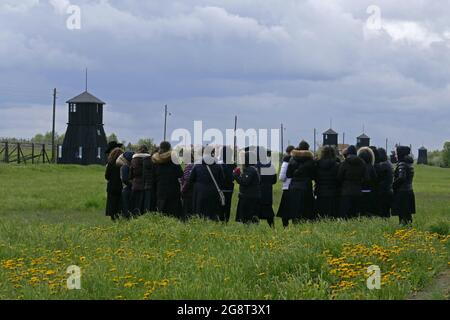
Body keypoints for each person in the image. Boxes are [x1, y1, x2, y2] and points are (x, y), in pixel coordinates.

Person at [188, 148, 225, 221]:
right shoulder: (218, 166)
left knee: (200, 213)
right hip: (213, 192)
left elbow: (190, 180)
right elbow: (222, 180)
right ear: (213, 154)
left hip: (200, 192)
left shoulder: (197, 165)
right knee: (212, 213)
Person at [284, 141, 316, 225]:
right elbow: (313, 176)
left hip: (294, 186)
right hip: (306, 187)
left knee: (295, 208)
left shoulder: (292, 159)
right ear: (307, 149)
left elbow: (288, 175)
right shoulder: (310, 160)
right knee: (306, 208)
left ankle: (296, 225)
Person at [152, 141, 183, 219]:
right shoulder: (174, 159)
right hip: (173, 189)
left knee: (161, 211)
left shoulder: (155, 159)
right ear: (169, 149)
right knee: (173, 212)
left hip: (160, 188)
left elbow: (153, 175)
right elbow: (180, 174)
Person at [337, 145, 366, 219]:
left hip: (346, 191)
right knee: (356, 215)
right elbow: (365, 177)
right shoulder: (362, 163)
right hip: (358, 191)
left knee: (345, 215)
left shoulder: (345, 163)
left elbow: (339, 176)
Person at [234, 150, 261, 224]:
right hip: (252, 196)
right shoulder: (253, 168)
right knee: (252, 218)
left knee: (245, 219)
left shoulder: (250, 170)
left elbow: (244, 182)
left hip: (248, 197)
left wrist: (235, 175)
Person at [392, 146, 416, 225]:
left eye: (396, 153)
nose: (395, 155)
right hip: (409, 191)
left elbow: (401, 177)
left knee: (402, 216)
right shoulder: (409, 163)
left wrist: (393, 185)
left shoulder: (402, 164)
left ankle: (404, 232)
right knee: (408, 216)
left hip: (402, 193)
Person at [314, 145, 340, 218]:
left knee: (320, 213)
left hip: (320, 190)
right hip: (333, 191)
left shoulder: (317, 164)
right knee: (331, 214)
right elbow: (339, 178)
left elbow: (314, 176)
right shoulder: (337, 165)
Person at [256, 147, 277, 228]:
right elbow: (274, 180)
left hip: (258, 190)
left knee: (256, 210)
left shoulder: (256, 166)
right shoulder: (271, 165)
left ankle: (255, 228)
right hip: (268, 190)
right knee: (268, 210)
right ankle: (272, 227)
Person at [130, 145, 152, 216]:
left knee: (136, 206)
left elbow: (130, 175)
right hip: (147, 185)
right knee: (145, 207)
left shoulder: (134, 160)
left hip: (136, 185)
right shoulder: (150, 160)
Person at [217, 146, 236, 223]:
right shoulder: (232, 164)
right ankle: (226, 221)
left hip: (219, 188)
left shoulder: (218, 164)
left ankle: (219, 219)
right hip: (229, 188)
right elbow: (232, 177)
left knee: (219, 205)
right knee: (227, 205)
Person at [357, 147, 378, 217]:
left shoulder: (358, 167)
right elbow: (375, 179)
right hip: (369, 191)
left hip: (359, 191)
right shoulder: (371, 167)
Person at [105, 147, 123, 221]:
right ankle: (118, 216)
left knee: (112, 203)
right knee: (119, 203)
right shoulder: (122, 164)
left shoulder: (110, 163)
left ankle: (113, 217)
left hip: (111, 187)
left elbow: (107, 176)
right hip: (120, 186)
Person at [277, 145, 295, 222]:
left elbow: (281, 177)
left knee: (285, 210)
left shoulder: (286, 161)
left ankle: (285, 226)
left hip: (287, 187)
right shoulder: (297, 160)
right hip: (295, 187)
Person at [375, 148, 394, 218]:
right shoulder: (389, 163)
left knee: (383, 212)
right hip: (389, 190)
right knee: (386, 212)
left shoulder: (383, 165)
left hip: (383, 191)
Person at [116, 151, 134, 219]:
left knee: (126, 207)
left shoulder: (124, 166)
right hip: (127, 188)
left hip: (126, 188)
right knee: (127, 208)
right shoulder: (125, 167)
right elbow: (125, 180)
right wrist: (132, 184)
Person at [181, 147, 196, 218]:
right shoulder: (194, 165)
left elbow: (187, 180)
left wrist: (182, 190)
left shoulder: (188, 167)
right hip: (194, 192)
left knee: (187, 212)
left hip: (188, 192)